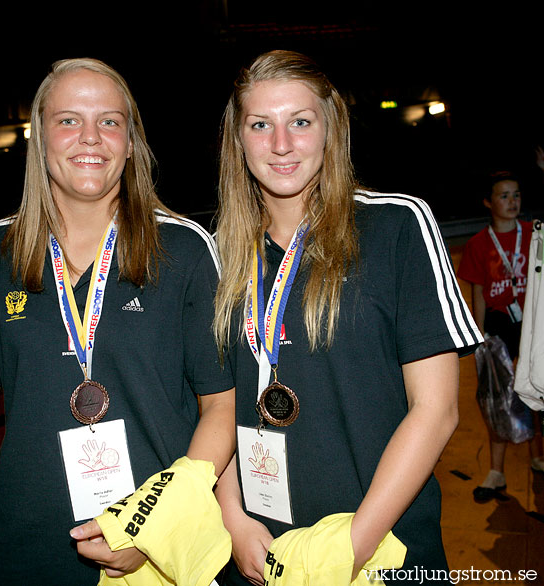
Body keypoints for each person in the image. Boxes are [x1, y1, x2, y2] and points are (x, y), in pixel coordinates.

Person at [0, 58, 235, 585]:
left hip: (162, 552)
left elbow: (221, 407)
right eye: (68, 120)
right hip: (31, 545)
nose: (91, 137)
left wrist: (152, 526)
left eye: (110, 121)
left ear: (131, 143)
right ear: (38, 139)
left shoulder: (184, 249)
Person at [212, 50, 482, 585]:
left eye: (301, 122)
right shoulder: (218, 255)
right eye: (260, 125)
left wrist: (350, 548)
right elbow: (215, 409)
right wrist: (234, 519)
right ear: (238, 141)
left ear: (330, 129)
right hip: (258, 548)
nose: (281, 144)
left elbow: (437, 409)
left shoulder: (397, 226)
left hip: (381, 551)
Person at [457, 171, 544, 502]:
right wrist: (479, 337)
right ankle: (496, 471)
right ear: (488, 202)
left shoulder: (534, 234)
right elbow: (478, 290)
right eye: (504, 196)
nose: (512, 201)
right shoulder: (479, 243)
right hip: (498, 324)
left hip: (533, 324)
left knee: (536, 388)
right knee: (497, 397)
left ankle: (538, 456)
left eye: (516, 194)